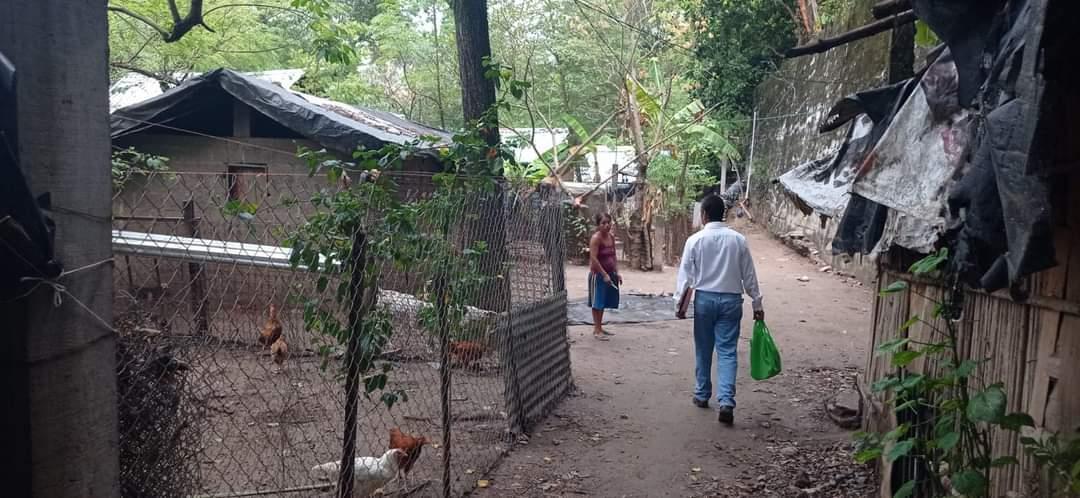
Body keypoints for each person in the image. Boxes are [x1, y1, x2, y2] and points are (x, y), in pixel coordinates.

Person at [675, 194, 764, 425]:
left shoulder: (695, 241)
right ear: (722, 213)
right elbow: (749, 275)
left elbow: (685, 277)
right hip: (732, 301)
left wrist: (679, 305)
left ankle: (702, 394)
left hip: (704, 300)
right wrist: (757, 302)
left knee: (704, 349)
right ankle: (726, 402)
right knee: (727, 351)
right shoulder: (738, 240)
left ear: (704, 215)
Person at [588, 213, 620, 341]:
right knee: (598, 301)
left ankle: (600, 327)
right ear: (598, 225)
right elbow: (593, 258)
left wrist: (616, 272)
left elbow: (614, 256)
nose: (607, 225)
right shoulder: (596, 238)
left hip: (609, 273)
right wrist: (604, 274)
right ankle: (597, 329)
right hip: (598, 275)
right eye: (603, 223)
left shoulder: (611, 237)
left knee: (604, 301)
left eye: (609, 222)